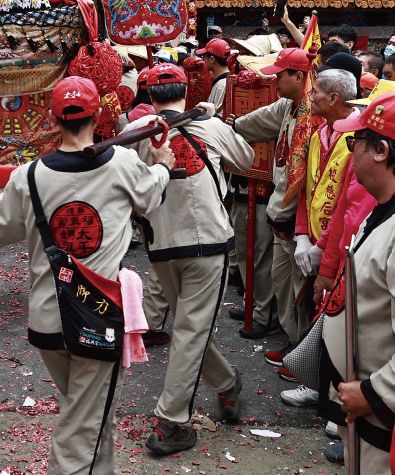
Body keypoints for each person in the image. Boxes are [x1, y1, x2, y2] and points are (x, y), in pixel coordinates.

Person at [0, 76, 175, 473]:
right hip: (97, 318)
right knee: (82, 425)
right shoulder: (121, 164)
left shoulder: (30, 176)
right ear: (98, 114)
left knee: (89, 414)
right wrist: (163, 167)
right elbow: (150, 197)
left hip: (49, 320)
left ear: (53, 119)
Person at [125, 64, 254, 456]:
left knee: (188, 326)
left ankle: (228, 383)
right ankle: (172, 421)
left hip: (161, 244)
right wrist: (214, 126)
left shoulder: (137, 135)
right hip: (205, 242)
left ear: (148, 94)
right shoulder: (207, 126)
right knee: (190, 329)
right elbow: (246, 159)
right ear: (186, 88)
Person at [319, 92, 395, 473]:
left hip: (382, 415)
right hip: (363, 404)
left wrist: (375, 392)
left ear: (380, 151)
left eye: (355, 142)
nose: (351, 154)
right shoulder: (381, 210)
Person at [230, 48, 319, 353]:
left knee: (298, 286)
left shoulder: (312, 114)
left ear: (299, 76)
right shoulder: (290, 105)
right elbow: (260, 121)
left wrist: (283, 215)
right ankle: (294, 343)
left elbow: (300, 176)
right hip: (282, 212)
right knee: (283, 280)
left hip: (296, 217)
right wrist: (232, 125)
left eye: (280, 75)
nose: (275, 81)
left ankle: (301, 353)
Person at [281, 68, 359, 408]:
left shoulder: (357, 138)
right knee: (317, 311)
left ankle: (331, 393)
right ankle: (317, 383)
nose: (309, 98)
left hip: (340, 247)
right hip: (314, 239)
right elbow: (306, 190)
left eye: (316, 94)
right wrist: (301, 235)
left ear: (334, 99)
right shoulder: (318, 134)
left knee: (338, 319)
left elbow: (347, 204)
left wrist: (325, 252)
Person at [195, 37, 232, 115]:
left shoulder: (223, 84)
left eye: (204, 57)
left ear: (212, 59)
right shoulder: (223, 81)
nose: (203, 60)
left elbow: (217, 116)